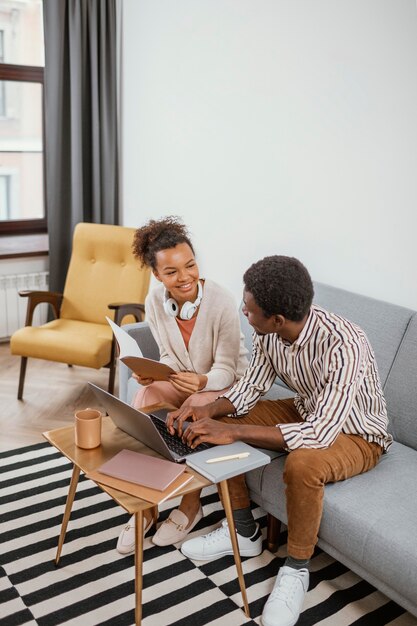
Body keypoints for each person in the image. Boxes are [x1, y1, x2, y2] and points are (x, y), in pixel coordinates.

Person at [168, 255, 392, 626]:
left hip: (357, 432)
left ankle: (296, 569)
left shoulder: (344, 344)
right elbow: (252, 386)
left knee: (302, 463)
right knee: (221, 420)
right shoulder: (269, 331)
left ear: (277, 319)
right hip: (308, 410)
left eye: (250, 309)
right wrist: (210, 410)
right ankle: (242, 530)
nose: (243, 311)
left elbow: (321, 432)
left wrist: (234, 431)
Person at [116, 216, 248, 555]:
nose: (185, 277)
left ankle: (191, 504)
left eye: (190, 265)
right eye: (172, 272)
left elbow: (228, 369)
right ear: (157, 275)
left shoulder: (221, 301)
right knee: (146, 395)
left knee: (197, 408)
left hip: (224, 385)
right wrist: (155, 373)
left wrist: (202, 382)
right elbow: (168, 355)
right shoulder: (155, 303)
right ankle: (147, 505)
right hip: (186, 381)